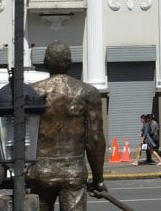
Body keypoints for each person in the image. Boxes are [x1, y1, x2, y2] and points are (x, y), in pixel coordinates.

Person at [26, 41, 106, 211]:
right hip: (73, 171)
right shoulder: (88, 92)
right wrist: (98, 178)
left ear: (45, 62)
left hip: (41, 170)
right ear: (70, 63)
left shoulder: (33, 92)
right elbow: (95, 139)